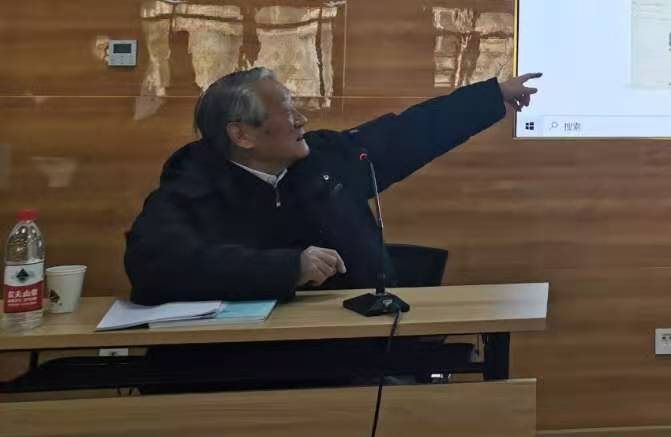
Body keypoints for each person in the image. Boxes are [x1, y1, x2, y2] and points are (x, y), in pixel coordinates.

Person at [124, 67, 540, 305]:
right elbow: (154, 263)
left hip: (356, 350)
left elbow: (407, 134)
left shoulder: (326, 159)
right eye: (287, 111)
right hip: (244, 366)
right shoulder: (193, 182)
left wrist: (491, 96)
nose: (301, 120)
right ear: (242, 135)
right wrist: (288, 268)